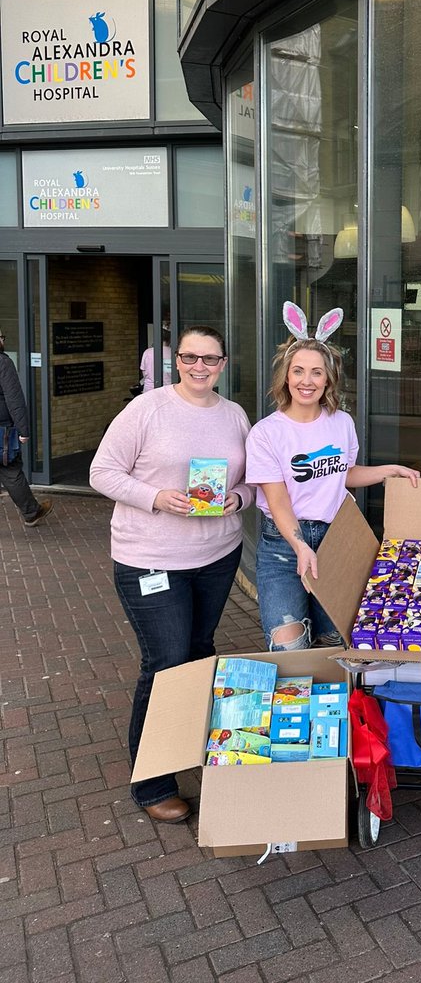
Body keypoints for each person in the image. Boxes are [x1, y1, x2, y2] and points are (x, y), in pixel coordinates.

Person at [90, 325, 253, 823]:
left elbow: (251, 480)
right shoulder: (147, 409)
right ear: (175, 360)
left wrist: (239, 499)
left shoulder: (235, 415)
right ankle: (151, 780)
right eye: (190, 357)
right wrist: (157, 498)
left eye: (210, 359)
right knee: (165, 660)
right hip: (152, 559)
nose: (199, 367)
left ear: (224, 364)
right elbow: (103, 472)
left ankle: (189, 743)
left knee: (200, 652)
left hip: (217, 554)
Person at [245, 303, 420, 652]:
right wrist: (299, 546)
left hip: (335, 537)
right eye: (298, 371)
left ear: (328, 379)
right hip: (283, 546)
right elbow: (277, 501)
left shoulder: (341, 422)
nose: (306, 381)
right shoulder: (266, 433)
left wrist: (388, 470)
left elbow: (343, 474)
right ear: (286, 376)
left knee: (334, 641)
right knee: (289, 645)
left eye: (316, 373)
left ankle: (331, 707)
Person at [0, 329, 52, 527]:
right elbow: (14, 399)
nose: (3, 340)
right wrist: (24, 430)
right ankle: (31, 512)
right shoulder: (3, 362)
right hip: (2, 430)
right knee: (11, 470)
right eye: (1, 337)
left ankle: (32, 511)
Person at [139, 327, 172, 392]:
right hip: (168, 388)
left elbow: (144, 371)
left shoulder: (147, 352)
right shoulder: (172, 353)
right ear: (169, 340)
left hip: (149, 389)